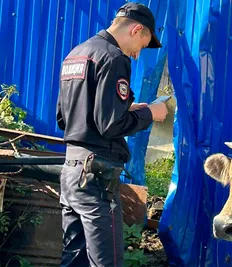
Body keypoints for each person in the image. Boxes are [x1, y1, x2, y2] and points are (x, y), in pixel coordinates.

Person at [55, 2, 168, 266]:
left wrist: (126, 106)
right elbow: (110, 126)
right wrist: (150, 114)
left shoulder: (76, 54)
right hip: (97, 176)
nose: (139, 53)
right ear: (136, 29)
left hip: (71, 172)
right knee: (108, 262)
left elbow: (65, 117)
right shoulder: (115, 57)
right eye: (143, 43)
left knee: (74, 258)